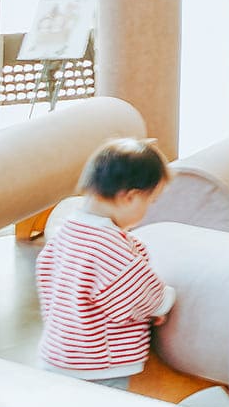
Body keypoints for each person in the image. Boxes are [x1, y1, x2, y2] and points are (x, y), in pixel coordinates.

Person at [34, 138, 176, 389]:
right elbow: (144, 294)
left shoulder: (66, 232)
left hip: (57, 354)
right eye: (150, 201)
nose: (149, 209)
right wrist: (164, 301)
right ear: (130, 197)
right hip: (98, 365)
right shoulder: (108, 246)